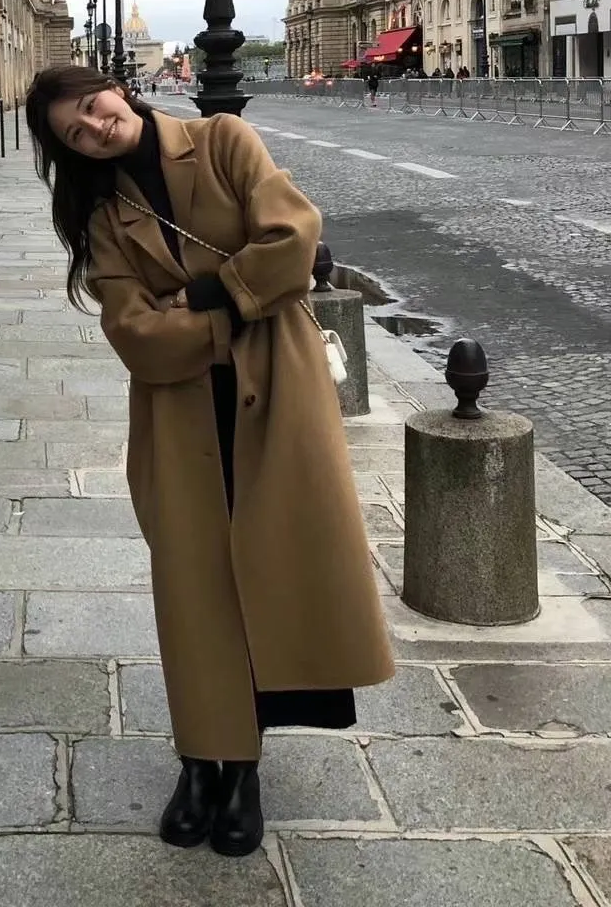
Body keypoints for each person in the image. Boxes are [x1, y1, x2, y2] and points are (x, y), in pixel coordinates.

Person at [24, 65, 393, 857]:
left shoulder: (223, 140)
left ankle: (245, 770)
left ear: (118, 89)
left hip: (278, 401)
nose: (94, 129)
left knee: (274, 568)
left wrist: (198, 297)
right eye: (74, 133)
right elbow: (136, 337)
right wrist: (240, 310)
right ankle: (201, 761)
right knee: (195, 591)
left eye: (93, 107)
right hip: (178, 416)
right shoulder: (103, 212)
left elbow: (294, 239)